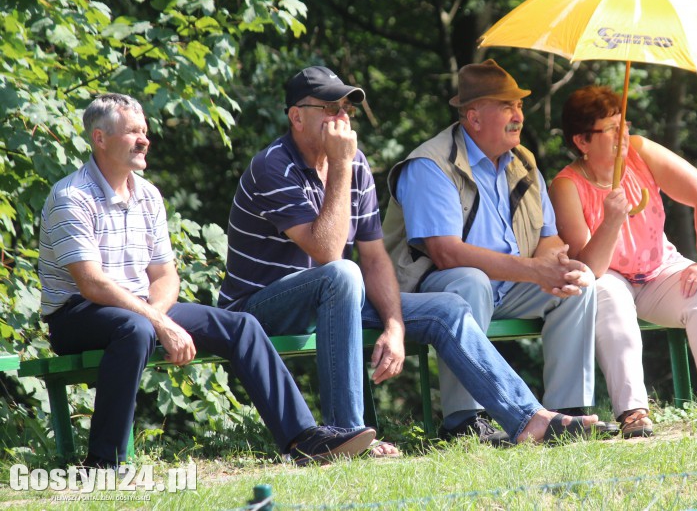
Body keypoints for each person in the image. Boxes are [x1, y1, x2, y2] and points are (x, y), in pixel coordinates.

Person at [219, 65, 602, 452]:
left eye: (346, 110)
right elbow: (328, 252)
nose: (342, 119)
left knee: (448, 308)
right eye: (329, 109)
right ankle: (346, 432)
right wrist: (339, 165)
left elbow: (374, 258)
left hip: (337, 299)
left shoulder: (355, 164)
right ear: (296, 116)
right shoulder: (274, 165)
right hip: (259, 309)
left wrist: (395, 324)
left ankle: (526, 419)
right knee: (342, 274)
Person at [37, 93, 375, 469]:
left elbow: (166, 277)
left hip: (141, 308)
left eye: (145, 130)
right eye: (133, 132)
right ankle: (104, 463)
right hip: (77, 315)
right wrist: (159, 322)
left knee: (242, 326)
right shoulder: (71, 196)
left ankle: (303, 439)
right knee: (136, 330)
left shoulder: (147, 195)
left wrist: (157, 316)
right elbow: (92, 284)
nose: (144, 139)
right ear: (99, 138)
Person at [383, 59, 602, 429]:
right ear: (474, 116)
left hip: (507, 283)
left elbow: (548, 236)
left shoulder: (524, 162)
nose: (518, 115)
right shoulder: (430, 164)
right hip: (430, 290)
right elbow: (445, 253)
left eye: (519, 105)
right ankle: (466, 419)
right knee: (470, 281)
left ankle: (569, 413)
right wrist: (533, 270)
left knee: (579, 282)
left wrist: (552, 267)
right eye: (506, 106)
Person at [548, 85, 697, 436]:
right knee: (607, 294)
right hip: (609, 275)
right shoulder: (566, 185)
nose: (624, 135)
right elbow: (590, 269)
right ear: (582, 141)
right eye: (611, 129)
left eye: (624, 124)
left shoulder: (640, 152)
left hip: (659, 269)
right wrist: (611, 219)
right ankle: (634, 413)